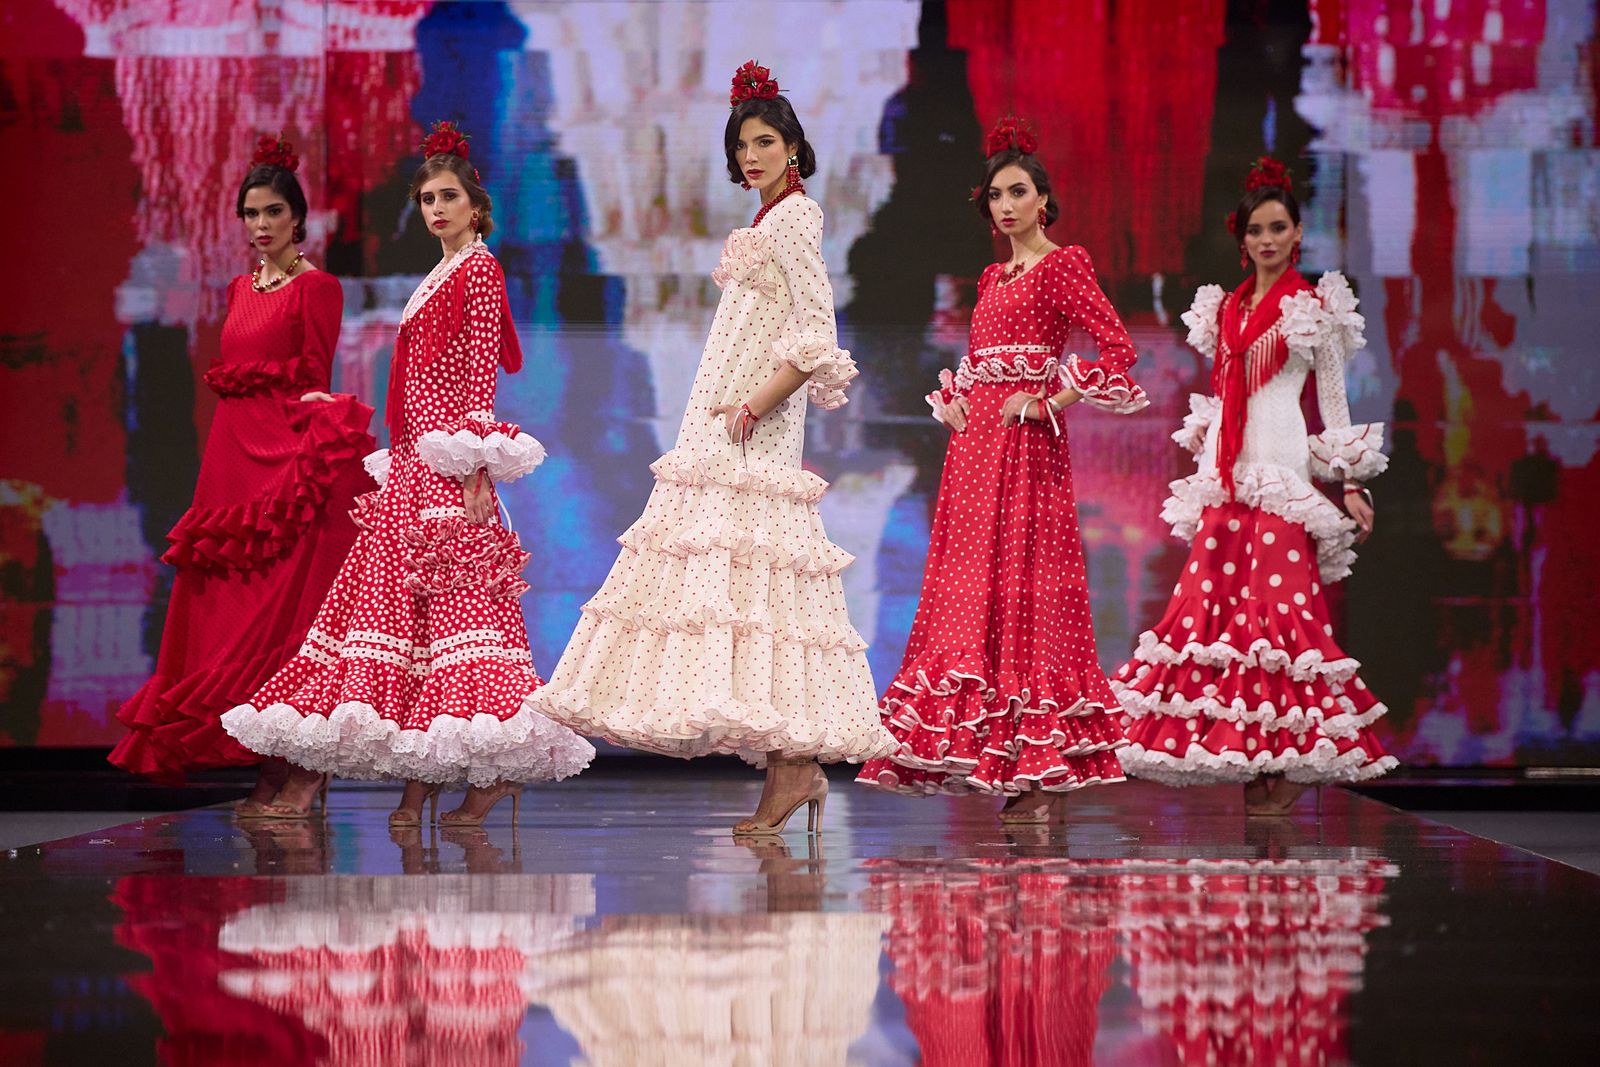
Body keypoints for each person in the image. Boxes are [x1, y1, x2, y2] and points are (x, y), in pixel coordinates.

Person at [531, 61, 893, 835]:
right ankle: (791, 770)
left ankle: (794, 770)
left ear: (794, 146)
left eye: (766, 140)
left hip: (749, 430)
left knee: (765, 594)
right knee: (750, 598)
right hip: (721, 425)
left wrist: (752, 406)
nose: (753, 154)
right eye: (743, 144)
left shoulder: (797, 218)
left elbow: (816, 337)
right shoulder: (766, 220)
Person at [221, 122, 593, 822]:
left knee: (462, 618)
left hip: (448, 467)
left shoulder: (479, 268)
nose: (437, 209)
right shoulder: (443, 270)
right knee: (412, 627)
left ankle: (483, 776)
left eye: (448, 197)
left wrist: (475, 468)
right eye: (426, 199)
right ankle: (423, 786)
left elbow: (478, 372)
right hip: (416, 462)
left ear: (476, 206)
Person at [857, 117, 1147, 823]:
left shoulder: (1063, 264)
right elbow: (984, 360)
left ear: (1043, 199)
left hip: (1027, 449)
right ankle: (1003, 763)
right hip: (975, 450)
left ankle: (1037, 772)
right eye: (995, 195)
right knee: (971, 597)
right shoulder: (992, 275)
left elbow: (1118, 348)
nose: (1007, 205)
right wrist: (958, 405)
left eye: (1019, 192)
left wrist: (1051, 396)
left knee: (1027, 600)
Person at [1110, 157, 1396, 814]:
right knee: (1220, 619)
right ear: (1242, 239)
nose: (1267, 239)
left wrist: (1349, 482)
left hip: (1281, 472)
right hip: (1226, 477)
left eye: (1278, 228)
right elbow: (1221, 391)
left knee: (1282, 620)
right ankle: (1255, 759)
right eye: (1256, 230)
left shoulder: (1312, 308)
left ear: (1296, 234)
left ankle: (1294, 760)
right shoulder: (1225, 308)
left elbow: (1333, 401)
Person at [110, 135, 376, 813]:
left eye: (272, 213)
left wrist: (310, 459)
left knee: (286, 609)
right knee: (227, 614)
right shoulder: (239, 286)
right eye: (250, 214)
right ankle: (265, 761)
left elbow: (314, 379)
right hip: (229, 462)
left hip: (284, 463)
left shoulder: (318, 287)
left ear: (298, 219)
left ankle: (304, 763)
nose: (260, 225)